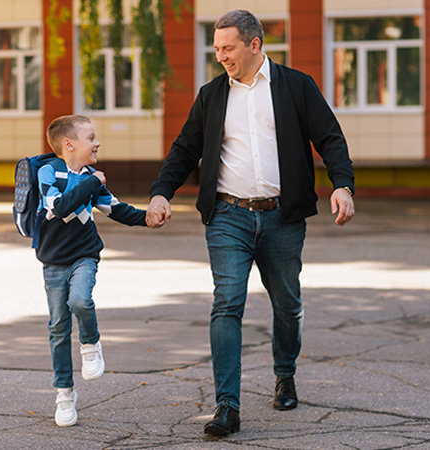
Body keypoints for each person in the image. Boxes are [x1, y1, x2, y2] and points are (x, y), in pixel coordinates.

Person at [146, 10, 355, 436]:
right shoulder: (211, 95)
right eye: (216, 49)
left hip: (283, 217)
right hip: (228, 215)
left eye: (228, 48)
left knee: (288, 304)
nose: (220, 56)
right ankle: (227, 405)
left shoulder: (296, 86)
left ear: (254, 45)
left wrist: (343, 185)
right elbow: (185, 149)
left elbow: (330, 137)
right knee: (227, 303)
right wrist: (161, 192)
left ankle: (284, 373)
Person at [36, 115, 147, 427]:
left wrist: (147, 218)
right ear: (69, 144)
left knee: (80, 301)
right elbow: (59, 207)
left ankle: (90, 343)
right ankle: (64, 393)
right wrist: (93, 182)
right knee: (58, 328)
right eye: (91, 138)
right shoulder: (49, 171)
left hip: (84, 255)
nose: (98, 143)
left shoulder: (90, 178)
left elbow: (115, 209)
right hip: (54, 261)